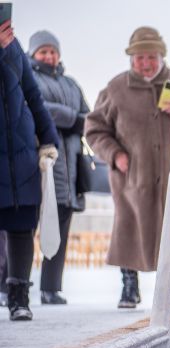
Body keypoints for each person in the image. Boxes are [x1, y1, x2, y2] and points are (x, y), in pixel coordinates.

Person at [85, 27, 170, 308]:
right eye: (139, 57)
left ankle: (169, 287)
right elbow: (94, 130)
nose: (146, 63)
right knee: (129, 228)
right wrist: (114, 154)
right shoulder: (115, 89)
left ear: (161, 56)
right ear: (131, 59)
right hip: (131, 176)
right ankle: (129, 286)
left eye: (151, 56)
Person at [0, 21, 59, 321]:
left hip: (21, 152)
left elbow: (32, 95)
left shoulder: (15, 47)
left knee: (22, 224)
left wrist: (48, 139)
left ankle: (19, 296)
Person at [28, 30, 90, 305]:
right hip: (39, 165)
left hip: (70, 167)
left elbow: (88, 117)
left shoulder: (71, 84)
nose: (49, 56)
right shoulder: (28, 78)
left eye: (52, 51)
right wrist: (70, 118)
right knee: (24, 229)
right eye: (43, 52)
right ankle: (12, 284)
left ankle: (51, 287)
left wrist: (77, 120)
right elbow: (38, 109)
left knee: (61, 228)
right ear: (33, 54)